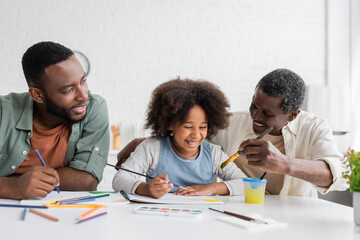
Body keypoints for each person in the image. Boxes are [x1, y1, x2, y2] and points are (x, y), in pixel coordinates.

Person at [117, 69, 348, 197]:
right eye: (253, 106)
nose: (256, 117)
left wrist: (285, 164)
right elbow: (183, 137)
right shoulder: (232, 123)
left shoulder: (314, 128)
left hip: (294, 217)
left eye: (267, 114)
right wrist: (144, 143)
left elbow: (338, 175)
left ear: (293, 115)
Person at [0, 41, 110, 200]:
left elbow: (87, 180)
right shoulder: (4, 112)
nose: (83, 95)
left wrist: (19, 183)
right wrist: (13, 187)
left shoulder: (94, 107)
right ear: (37, 95)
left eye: (83, 81)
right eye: (68, 90)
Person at [112, 78, 246, 199]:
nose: (196, 135)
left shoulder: (213, 154)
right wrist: (146, 189)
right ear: (170, 123)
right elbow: (119, 179)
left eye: (202, 127)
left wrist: (211, 188)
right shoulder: (152, 148)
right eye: (188, 126)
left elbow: (245, 183)